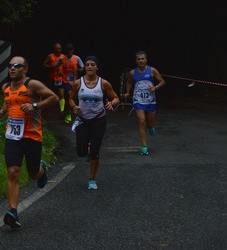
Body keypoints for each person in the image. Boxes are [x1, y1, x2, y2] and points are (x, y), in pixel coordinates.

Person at [0, 56, 58, 229]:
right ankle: (12, 212)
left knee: (32, 174)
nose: (12, 68)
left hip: (32, 136)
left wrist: (34, 106)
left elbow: (54, 98)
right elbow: (9, 102)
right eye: (10, 66)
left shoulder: (32, 85)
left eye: (17, 66)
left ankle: (41, 169)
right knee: (13, 172)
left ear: (25, 69)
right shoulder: (5, 87)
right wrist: (1, 111)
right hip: (13, 137)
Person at [68, 55, 120, 190]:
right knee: (80, 151)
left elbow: (115, 98)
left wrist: (112, 103)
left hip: (99, 119)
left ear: (97, 67)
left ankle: (92, 179)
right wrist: (74, 106)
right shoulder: (78, 83)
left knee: (95, 151)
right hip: (82, 119)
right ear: (84, 67)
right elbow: (70, 98)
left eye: (92, 64)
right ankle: (87, 152)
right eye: (87, 65)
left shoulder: (103, 83)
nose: (90, 67)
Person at [124, 50, 166, 155]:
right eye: (139, 59)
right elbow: (129, 82)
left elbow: (163, 81)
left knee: (149, 123)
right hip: (138, 100)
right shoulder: (133, 73)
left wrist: (155, 87)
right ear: (136, 61)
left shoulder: (152, 70)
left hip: (150, 100)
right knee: (142, 121)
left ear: (146, 60)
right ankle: (144, 146)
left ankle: (151, 127)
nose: (141, 61)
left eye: (143, 59)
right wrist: (127, 92)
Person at [61, 43, 84, 124]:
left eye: (70, 50)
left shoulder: (77, 58)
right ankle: (68, 113)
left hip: (74, 81)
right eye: (68, 50)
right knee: (69, 94)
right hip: (65, 80)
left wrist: (78, 70)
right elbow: (57, 66)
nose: (69, 52)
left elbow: (82, 68)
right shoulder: (63, 58)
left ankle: (68, 111)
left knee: (73, 98)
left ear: (73, 51)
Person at [42, 42, 66, 116]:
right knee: (48, 94)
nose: (58, 50)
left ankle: (62, 111)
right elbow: (44, 64)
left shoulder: (63, 57)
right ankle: (44, 109)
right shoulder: (50, 56)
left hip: (60, 78)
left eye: (59, 49)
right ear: (54, 49)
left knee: (61, 94)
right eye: (56, 49)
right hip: (51, 78)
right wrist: (51, 66)